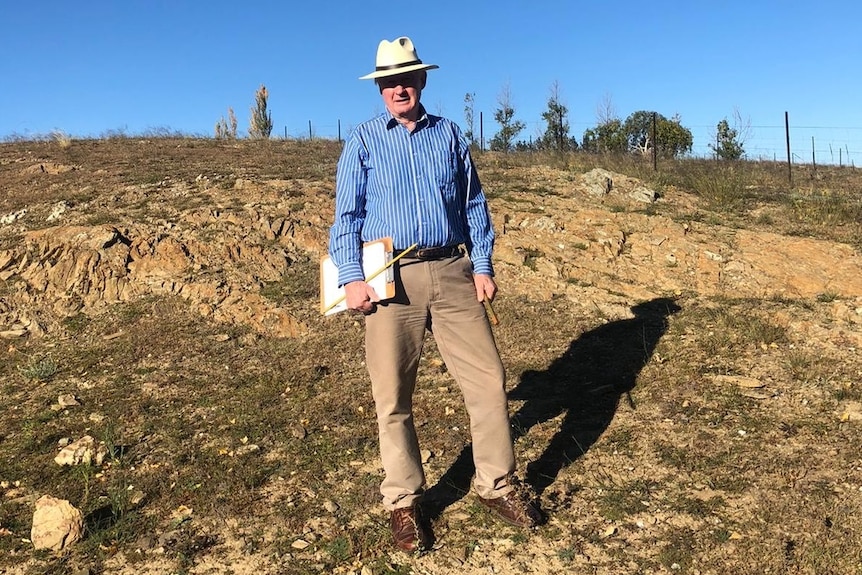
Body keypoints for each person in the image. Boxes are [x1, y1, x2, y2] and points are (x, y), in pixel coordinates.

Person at [328, 36, 541, 553]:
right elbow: (346, 218)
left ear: (421, 81)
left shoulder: (449, 135)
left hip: (450, 269)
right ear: (379, 88)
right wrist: (352, 277)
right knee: (392, 396)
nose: (398, 87)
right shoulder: (362, 141)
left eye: (407, 78)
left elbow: (473, 204)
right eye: (389, 81)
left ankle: (495, 484)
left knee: (489, 380)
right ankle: (404, 501)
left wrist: (482, 265)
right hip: (389, 278)